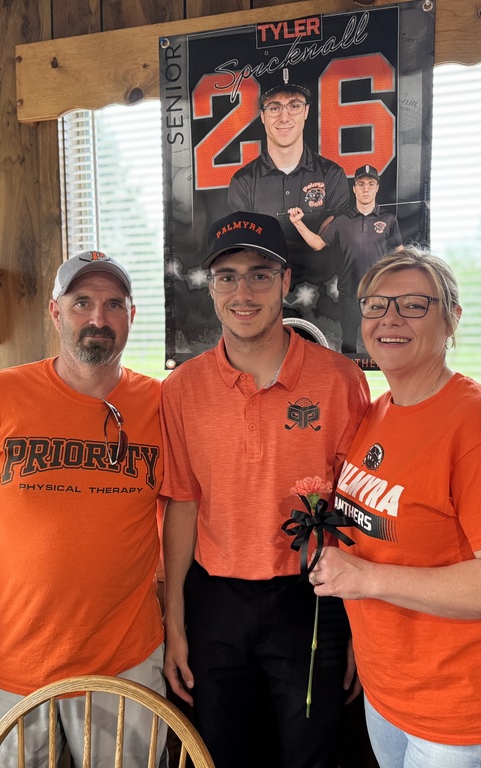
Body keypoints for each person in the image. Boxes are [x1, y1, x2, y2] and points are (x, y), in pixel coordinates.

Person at [0, 251, 166, 768]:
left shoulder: (161, 405)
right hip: (18, 664)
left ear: (131, 317)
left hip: (125, 663)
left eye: (113, 304)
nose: (98, 318)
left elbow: (186, 512)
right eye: (82, 303)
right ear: (56, 313)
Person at [309, 248, 481, 768]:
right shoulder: (376, 414)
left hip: (465, 713)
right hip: (390, 695)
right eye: (376, 305)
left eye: (415, 305)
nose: (390, 319)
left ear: (451, 319)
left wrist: (367, 579)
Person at [160, 210, 370, 768]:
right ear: (210, 287)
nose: (242, 291)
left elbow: (356, 512)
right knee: (224, 754)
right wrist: (175, 623)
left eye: (258, 274)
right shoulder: (181, 389)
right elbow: (182, 504)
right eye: (226, 276)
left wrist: (358, 627)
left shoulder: (340, 381)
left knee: (313, 755)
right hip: (215, 603)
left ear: (284, 283)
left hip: (311, 600)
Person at [227, 73, 350, 308]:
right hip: (264, 301)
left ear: (306, 111)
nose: (284, 117)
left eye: (294, 105)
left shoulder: (332, 175)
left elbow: (334, 248)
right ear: (262, 116)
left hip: (325, 302)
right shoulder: (242, 181)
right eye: (274, 107)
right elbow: (247, 255)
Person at [290, 164, 403, 353]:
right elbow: (317, 244)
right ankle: (349, 381)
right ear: (354, 188)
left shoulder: (389, 219)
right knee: (349, 342)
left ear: (377, 187)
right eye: (361, 184)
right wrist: (297, 223)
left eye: (370, 183)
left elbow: (400, 254)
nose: (366, 188)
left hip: (378, 294)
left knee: (381, 341)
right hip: (349, 293)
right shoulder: (342, 220)